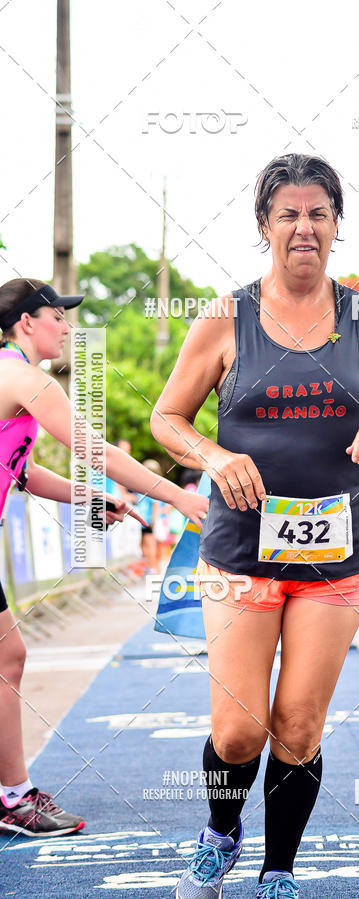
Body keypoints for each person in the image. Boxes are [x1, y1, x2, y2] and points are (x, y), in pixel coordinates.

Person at [151, 153, 359, 898]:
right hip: (240, 553)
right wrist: (214, 456)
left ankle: (278, 870)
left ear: (337, 225)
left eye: (319, 214)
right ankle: (219, 835)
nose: (304, 227)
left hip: (336, 556)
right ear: (264, 225)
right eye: (289, 214)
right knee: (240, 730)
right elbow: (167, 419)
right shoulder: (225, 317)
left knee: (300, 725)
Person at [0, 278, 208, 838]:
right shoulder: (26, 378)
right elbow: (97, 450)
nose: (67, 327)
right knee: (7, 658)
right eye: (57, 316)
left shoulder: (11, 375)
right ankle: (14, 798)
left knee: (7, 657)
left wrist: (90, 497)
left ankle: (12, 794)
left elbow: (23, 472)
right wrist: (177, 496)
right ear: (27, 322)